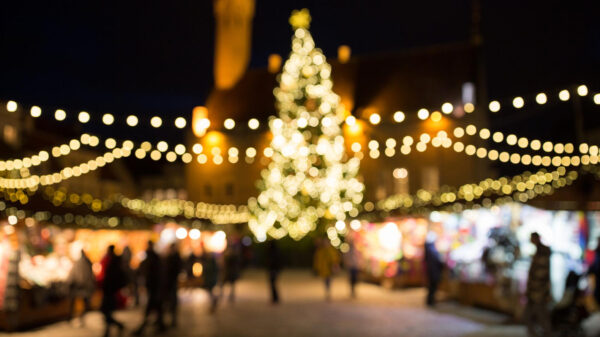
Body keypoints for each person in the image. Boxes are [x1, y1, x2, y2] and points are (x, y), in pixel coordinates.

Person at [134, 241, 166, 335]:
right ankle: (160, 325)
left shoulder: (152, 259)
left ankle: (142, 329)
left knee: (151, 309)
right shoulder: (155, 258)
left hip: (154, 288)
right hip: (154, 288)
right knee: (157, 309)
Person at [524, 232, 552, 337]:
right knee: (530, 316)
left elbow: (541, 274)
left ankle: (547, 333)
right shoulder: (540, 251)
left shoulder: (543, 252)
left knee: (541, 315)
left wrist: (538, 289)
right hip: (535, 291)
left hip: (539, 291)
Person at [100, 245, 126, 337]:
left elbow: (110, 277)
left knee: (106, 311)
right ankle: (109, 330)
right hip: (110, 290)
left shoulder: (112, 261)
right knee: (106, 311)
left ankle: (113, 329)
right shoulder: (114, 261)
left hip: (110, 290)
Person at [67, 249, 96, 327]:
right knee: (85, 303)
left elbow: (72, 275)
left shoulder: (78, 263)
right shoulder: (88, 263)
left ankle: (72, 317)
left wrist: (69, 282)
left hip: (78, 287)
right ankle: (80, 318)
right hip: (84, 287)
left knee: (74, 302)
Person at [164, 243, 182, 327]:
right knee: (170, 301)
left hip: (171, 282)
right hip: (169, 282)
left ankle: (172, 320)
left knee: (172, 300)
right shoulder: (172, 257)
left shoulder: (174, 258)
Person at [424, 232, 443, 306]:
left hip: (431, 270)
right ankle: (430, 301)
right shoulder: (431, 249)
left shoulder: (428, 248)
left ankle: (430, 300)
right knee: (432, 286)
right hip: (433, 271)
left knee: (431, 286)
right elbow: (437, 260)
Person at [222, 238, 242, 303]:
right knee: (229, 285)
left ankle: (230, 296)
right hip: (230, 272)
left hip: (230, 272)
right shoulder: (233, 254)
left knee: (230, 285)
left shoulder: (231, 254)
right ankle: (228, 296)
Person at [201, 246, 219, 313]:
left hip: (211, 279)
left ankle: (214, 301)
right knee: (209, 292)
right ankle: (214, 301)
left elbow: (212, 270)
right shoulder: (209, 261)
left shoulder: (211, 262)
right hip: (210, 279)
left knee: (210, 291)